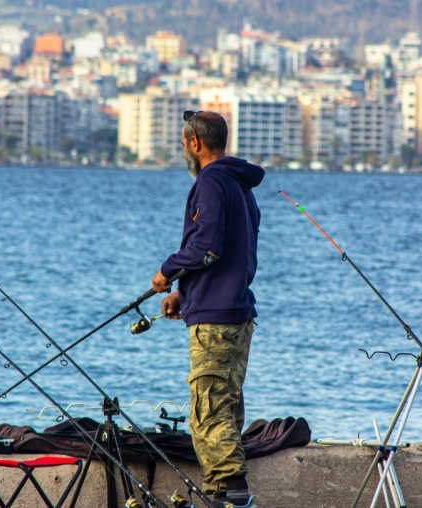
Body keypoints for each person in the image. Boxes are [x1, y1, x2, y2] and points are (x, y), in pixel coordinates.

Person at [152, 111, 264, 508]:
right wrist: (186, 293)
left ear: (196, 144)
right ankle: (219, 495)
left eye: (184, 143)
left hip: (216, 320)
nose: (184, 149)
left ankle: (234, 493)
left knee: (210, 410)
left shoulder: (212, 181)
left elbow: (207, 247)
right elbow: (231, 254)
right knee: (226, 408)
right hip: (233, 311)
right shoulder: (238, 185)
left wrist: (167, 272)